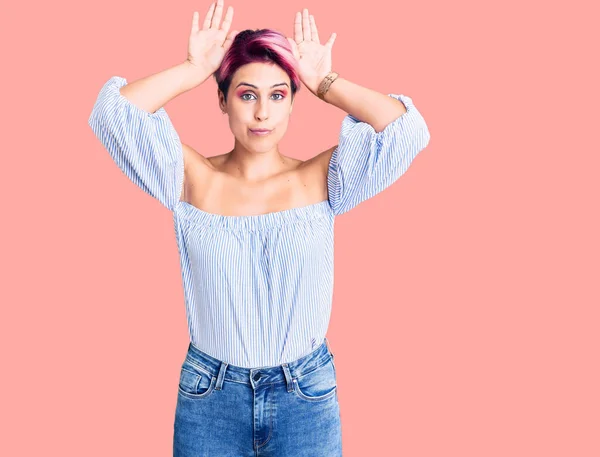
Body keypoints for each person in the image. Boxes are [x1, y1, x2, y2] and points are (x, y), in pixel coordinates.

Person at [87, 1, 430, 455]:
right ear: (223, 99)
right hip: (210, 396)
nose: (262, 113)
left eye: (278, 94)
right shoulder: (192, 177)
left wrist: (325, 83)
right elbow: (112, 112)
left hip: (305, 394)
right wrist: (193, 69)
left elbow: (407, 129)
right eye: (247, 94)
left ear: (292, 101)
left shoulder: (320, 178)